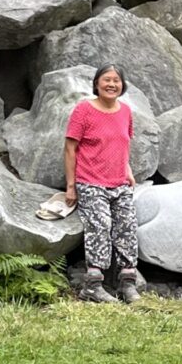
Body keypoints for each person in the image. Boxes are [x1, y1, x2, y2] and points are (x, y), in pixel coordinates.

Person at [64, 64, 141, 304]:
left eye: (116, 80)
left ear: (122, 85)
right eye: (106, 79)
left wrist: (127, 170)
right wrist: (70, 186)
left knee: (127, 226)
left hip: (119, 182)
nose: (111, 84)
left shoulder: (126, 111)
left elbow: (123, 143)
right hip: (90, 182)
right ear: (97, 84)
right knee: (100, 225)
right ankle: (93, 286)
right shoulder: (84, 110)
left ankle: (127, 283)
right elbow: (70, 147)